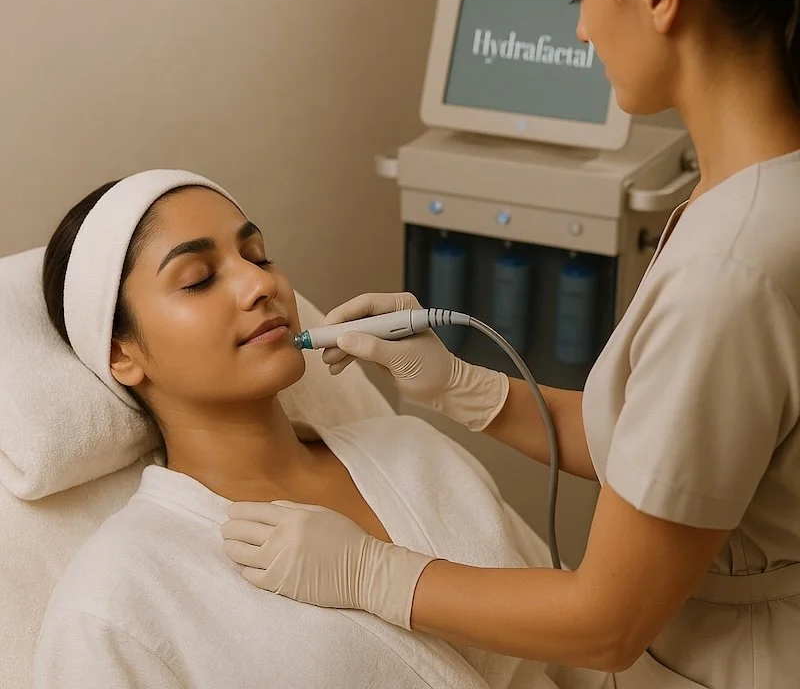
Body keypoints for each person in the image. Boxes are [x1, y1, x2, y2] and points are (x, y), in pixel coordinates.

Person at [220, 0, 800, 687]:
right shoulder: (749, 197)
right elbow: (675, 453)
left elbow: (607, 623)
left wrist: (372, 573)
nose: (582, 27)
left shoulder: (730, 273)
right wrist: (467, 390)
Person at [34, 169, 594, 689]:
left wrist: (472, 388)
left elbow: (591, 639)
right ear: (121, 354)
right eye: (200, 279)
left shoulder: (413, 449)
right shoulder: (115, 604)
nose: (260, 284)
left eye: (258, 255)